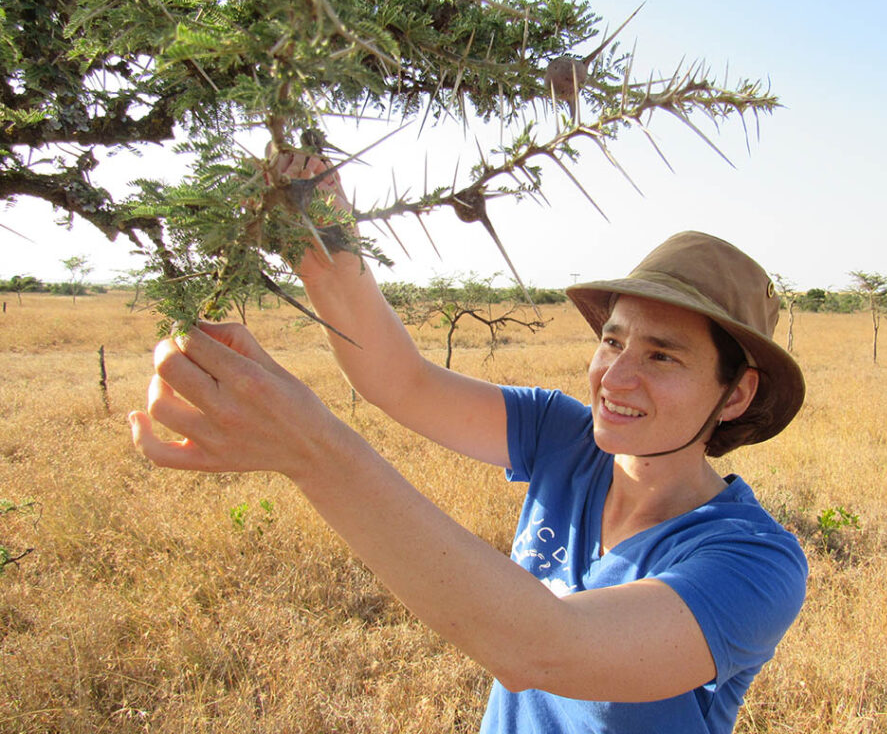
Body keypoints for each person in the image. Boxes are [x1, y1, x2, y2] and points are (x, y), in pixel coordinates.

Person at [129, 154, 807, 733]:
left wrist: (311, 449)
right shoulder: (562, 437)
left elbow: (543, 648)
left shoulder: (752, 564)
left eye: (662, 357)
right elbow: (401, 381)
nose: (615, 376)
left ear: (737, 394)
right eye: (612, 340)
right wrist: (325, 243)